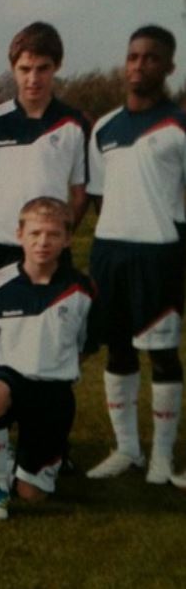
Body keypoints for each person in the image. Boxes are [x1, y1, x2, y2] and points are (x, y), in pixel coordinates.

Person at [85, 25, 186, 487]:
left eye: (150, 58)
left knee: (162, 354)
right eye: (132, 56)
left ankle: (163, 457)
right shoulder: (103, 128)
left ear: (168, 66)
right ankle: (127, 448)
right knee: (118, 349)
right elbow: (101, 197)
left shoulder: (179, 127)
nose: (138, 65)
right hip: (110, 253)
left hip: (159, 255)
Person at [0, 198, 95, 520]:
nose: (43, 242)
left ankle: (25, 462)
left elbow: (83, 346)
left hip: (54, 393)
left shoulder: (81, 290)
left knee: (32, 495)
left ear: (68, 239)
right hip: (10, 380)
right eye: (35, 233)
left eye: (53, 234)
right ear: (20, 235)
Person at [0, 22, 89, 287]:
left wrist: (58, 234)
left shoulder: (74, 124)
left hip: (53, 253)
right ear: (13, 68)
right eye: (25, 69)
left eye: (43, 68)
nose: (33, 79)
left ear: (56, 66)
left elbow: (80, 194)